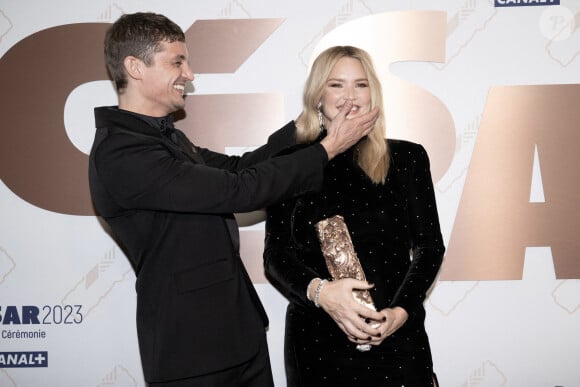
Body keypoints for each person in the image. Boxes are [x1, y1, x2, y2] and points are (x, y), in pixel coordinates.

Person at [88, 13, 378, 387]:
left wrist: (312, 119)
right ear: (134, 67)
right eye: (177, 61)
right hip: (191, 352)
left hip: (239, 337)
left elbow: (243, 167)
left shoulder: (167, 140)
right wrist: (328, 148)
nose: (189, 74)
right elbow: (239, 191)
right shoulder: (123, 154)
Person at [264, 46, 445, 386]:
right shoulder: (289, 163)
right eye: (336, 85)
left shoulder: (407, 158)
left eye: (360, 85)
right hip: (318, 341)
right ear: (317, 95)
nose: (350, 95)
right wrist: (322, 293)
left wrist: (401, 311)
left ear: (373, 93)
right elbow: (276, 255)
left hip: (396, 335)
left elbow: (430, 247)